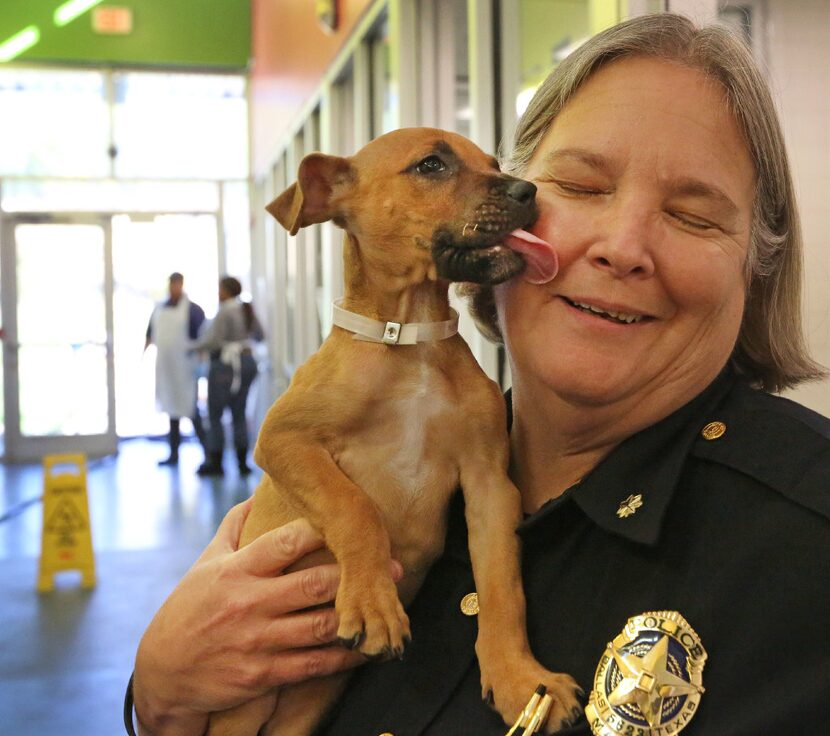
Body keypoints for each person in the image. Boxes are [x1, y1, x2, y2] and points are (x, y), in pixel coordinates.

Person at [126, 13, 830, 736]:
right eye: (581, 186)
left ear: (759, 265)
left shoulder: (806, 544)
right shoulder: (422, 459)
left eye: (692, 216)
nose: (623, 248)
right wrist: (157, 696)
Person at [191, 276, 264, 477]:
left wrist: (189, 346)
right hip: (247, 364)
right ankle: (242, 463)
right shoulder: (246, 309)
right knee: (239, 414)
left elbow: (212, 340)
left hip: (225, 367)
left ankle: (216, 463)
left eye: (220, 289)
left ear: (226, 291)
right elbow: (260, 335)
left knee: (215, 415)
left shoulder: (225, 311)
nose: (218, 293)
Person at [145, 272, 206, 466]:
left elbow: (202, 338)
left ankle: (209, 455)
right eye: (172, 284)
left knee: (191, 410)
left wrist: (201, 365)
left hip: (185, 369)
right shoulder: (159, 308)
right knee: (171, 410)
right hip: (166, 367)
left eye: (178, 284)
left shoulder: (193, 310)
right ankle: (173, 454)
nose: (175, 287)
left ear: (182, 284)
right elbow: (150, 333)